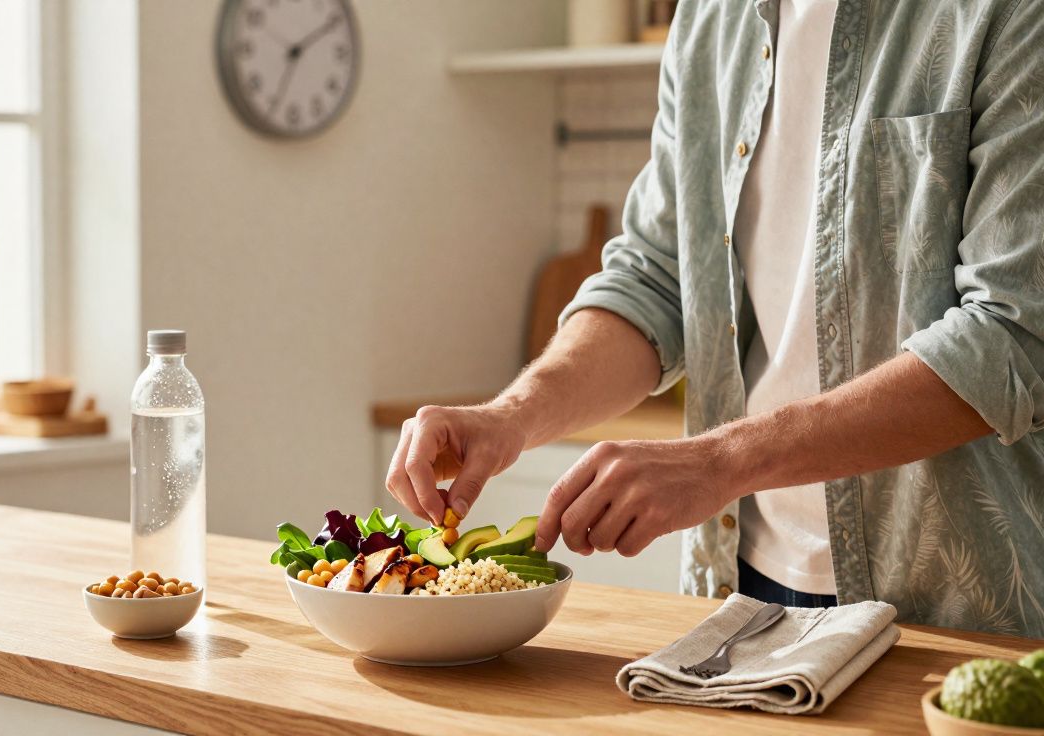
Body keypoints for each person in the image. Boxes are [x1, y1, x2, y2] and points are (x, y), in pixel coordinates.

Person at [386, 0, 1044, 637]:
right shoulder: (710, 16)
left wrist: (721, 461)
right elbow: (657, 277)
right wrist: (515, 414)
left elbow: (1013, 338)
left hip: (950, 611)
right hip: (738, 595)